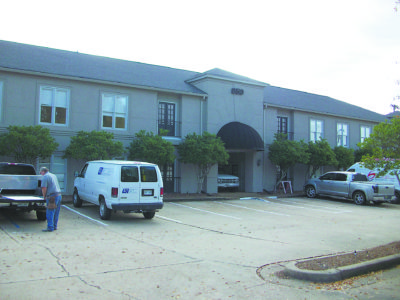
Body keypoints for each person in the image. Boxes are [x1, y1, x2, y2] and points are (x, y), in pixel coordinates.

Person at [40, 167, 62, 232]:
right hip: (59, 195)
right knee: (56, 212)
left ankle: (50, 227)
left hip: (52, 196)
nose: (40, 174)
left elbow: (44, 188)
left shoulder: (45, 177)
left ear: (43, 171)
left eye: (40, 172)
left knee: (50, 212)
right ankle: (55, 226)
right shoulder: (53, 175)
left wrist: (44, 196)